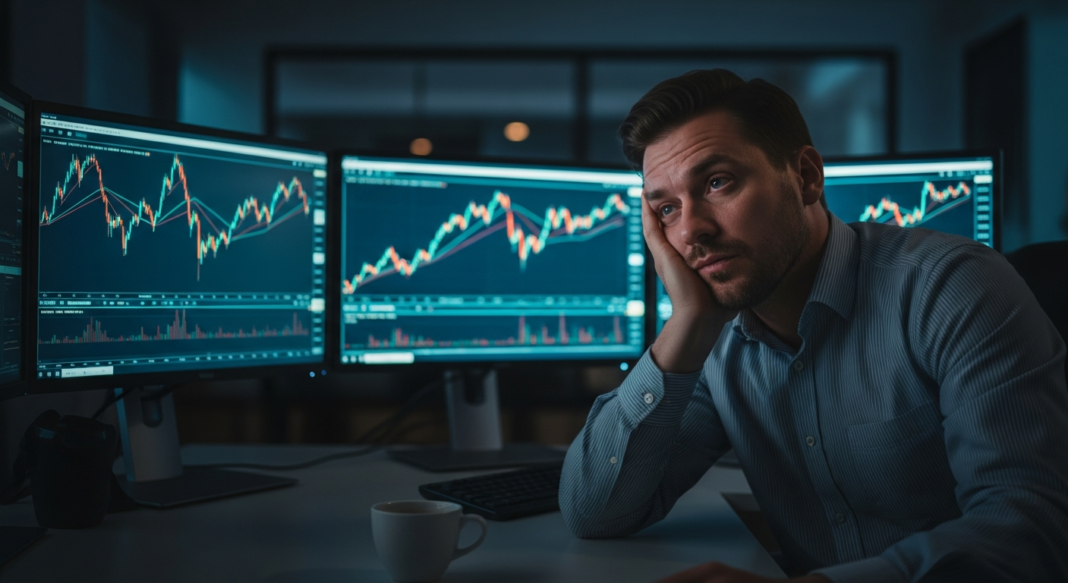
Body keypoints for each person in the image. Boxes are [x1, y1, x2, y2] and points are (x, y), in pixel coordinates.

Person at [559, 69, 1068, 582]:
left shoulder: (952, 287)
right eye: (667, 209)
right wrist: (686, 323)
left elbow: (1030, 531)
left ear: (805, 177)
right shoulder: (713, 339)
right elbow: (593, 512)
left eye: (717, 182)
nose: (691, 230)